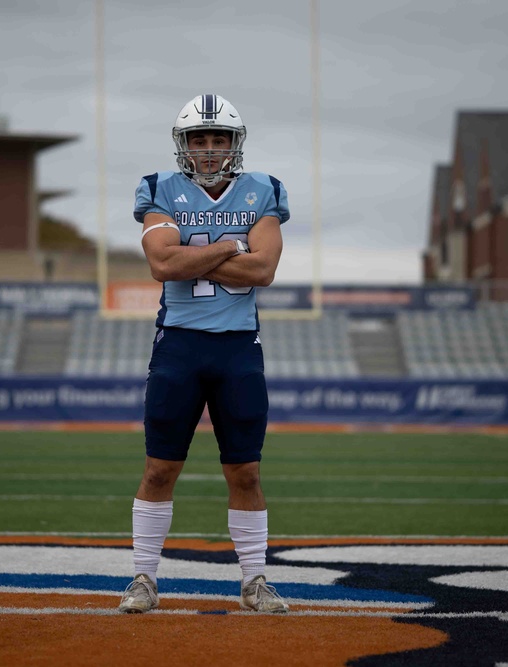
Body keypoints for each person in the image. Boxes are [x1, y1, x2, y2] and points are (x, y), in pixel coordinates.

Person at [118, 93, 290, 614]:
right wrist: (230, 246)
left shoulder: (264, 190)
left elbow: (263, 272)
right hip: (180, 346)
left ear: (234, 144)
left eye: (219, 139)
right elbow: (162, 266)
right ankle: (143, 578)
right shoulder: (158, 188)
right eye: (200, 139)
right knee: (158, 469)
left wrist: (191, 254)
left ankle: (254, 580)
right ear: (184, 145)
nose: (210, 149)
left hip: (239, 348)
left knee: (246, 472)